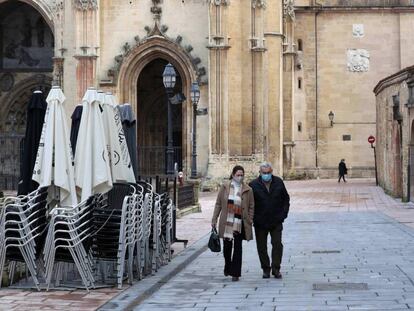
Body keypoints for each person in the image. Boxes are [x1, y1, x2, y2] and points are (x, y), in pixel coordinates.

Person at [212, 165, 254, 282]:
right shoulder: (225, 187)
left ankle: (236, 273)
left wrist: (250, 219)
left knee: (238, 247)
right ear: (233, 175)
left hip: (240, 222)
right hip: (227, 222)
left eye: (242, 175)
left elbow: (251, 206)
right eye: (238, 175)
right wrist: (214, 219)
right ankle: (227, 265)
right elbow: (218, 204)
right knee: (227, 247)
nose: (240, 177)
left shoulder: (247, 189)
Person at [249, 162, 290, 279]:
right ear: (260, 173)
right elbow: (249, 203)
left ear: (271, 172)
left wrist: (283, 214)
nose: (266, 175)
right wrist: (253, 218)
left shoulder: (278, 182)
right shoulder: (253, 185)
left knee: (277, 244)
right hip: (260, 221)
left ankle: (276, 268)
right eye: (264, 173)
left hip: (276, 220)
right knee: (261, 247)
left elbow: (286, 199)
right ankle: (266, 269)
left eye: (268, 173)